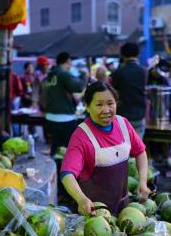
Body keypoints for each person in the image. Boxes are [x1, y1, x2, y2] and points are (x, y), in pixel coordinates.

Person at [61, 81, 149, 215]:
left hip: (123, 209)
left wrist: (142, 181)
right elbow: (67, 174)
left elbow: (140, 152)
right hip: (95, 213)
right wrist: (81, 199)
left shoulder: (123, 124)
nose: (106, 110)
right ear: (87, 106)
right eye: (99, 104)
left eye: (110, 103)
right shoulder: (81, 136)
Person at [44, 51, 88, 155]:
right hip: (64, 118)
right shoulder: (63, 74)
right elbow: (78, 87)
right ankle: (67, 169)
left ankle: (55, 167)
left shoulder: (50, 74)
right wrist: (84, 75)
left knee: (55, 146)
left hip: (50, 117)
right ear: (68, 61)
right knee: (70, 148)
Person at [111, 42, 147, 139]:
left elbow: (113, 92)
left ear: (122, 55)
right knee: (138, 149)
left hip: (123, 116)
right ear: (138, 54)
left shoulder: (118, 72)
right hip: (140, 115)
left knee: (123, 150)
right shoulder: (144, 71)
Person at [146, 58, 171, 169]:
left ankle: (166, 157)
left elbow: (170, 96)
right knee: (147, 137)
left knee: (165, 136)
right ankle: (149, 159)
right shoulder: (146, 77)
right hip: (148, 114)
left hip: (163, 113)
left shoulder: (164, 80)